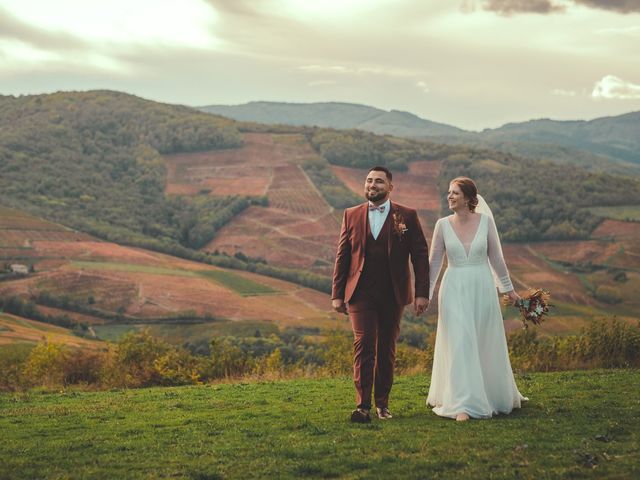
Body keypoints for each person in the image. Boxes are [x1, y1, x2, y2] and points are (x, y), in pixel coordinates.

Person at [332, 166, 430, 423]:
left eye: (378, 181)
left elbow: (419, 256)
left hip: (393, 292)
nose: (372, 185)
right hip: (360, 292)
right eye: (369, 180)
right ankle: (362, 405)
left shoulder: (407, 215)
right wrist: (337, 294)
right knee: (364, 344)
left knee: (386, 348)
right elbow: (343, 256)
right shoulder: (350, 214)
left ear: (390, 187)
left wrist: (422, 293)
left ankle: (382, 404)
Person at [426, 177, 527, 421]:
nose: (449, 196)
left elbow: (497, 259)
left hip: (482, 287)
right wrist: (425, 295)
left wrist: (509, 290)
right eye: (448, 192)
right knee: (461, 341)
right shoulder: (442, 225)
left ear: (469, 198)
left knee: (482, 339)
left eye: (455, 193)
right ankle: (463, 404)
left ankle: (490, 394)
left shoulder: (486, 222)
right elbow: (435, 262)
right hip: (454, 288)